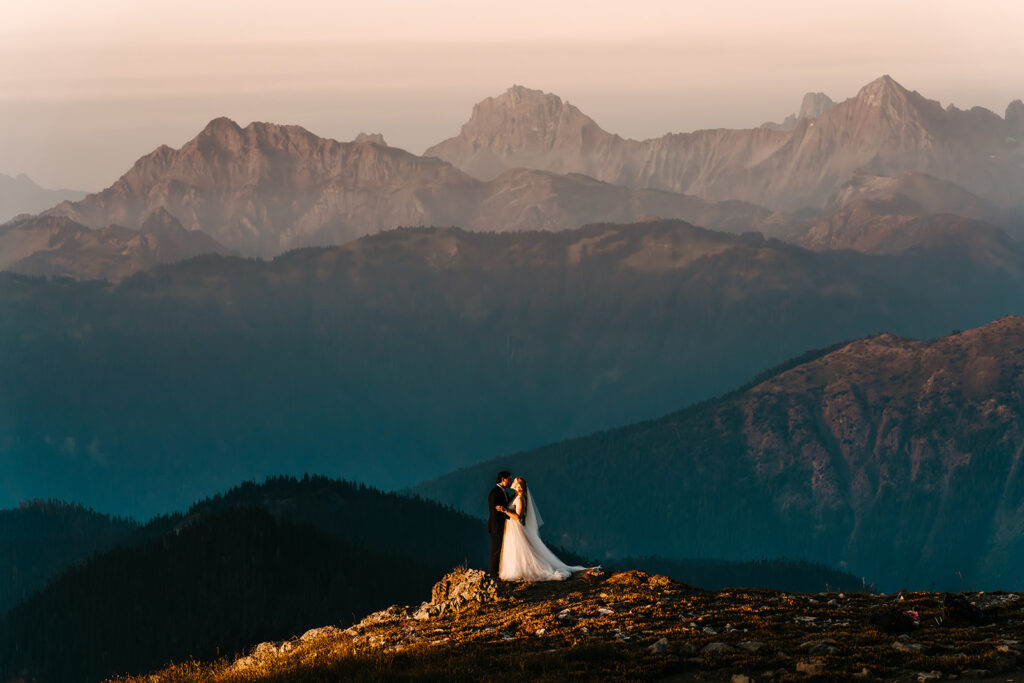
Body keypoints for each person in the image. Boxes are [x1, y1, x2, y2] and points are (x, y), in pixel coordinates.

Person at [497, 476, 588, 581]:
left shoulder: (520, 499)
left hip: (517, 529)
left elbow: (518, 517)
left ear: (519, 486)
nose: (512, 481)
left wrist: (504, 510)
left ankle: (523, 571)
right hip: (513, 529)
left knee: (521, 550)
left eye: (515, 481)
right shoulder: (516, 496)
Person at [487, 471, 512, 576]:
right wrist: (509, 517)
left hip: (502, 525)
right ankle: (493, 573)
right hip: (496, 526)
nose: (510, 481)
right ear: (503, 479)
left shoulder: (504, 492)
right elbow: (494, 513)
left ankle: (499, 571)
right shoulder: (495, 493)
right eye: (509, 479)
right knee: (496, 550)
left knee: (501, 549)